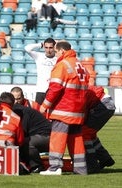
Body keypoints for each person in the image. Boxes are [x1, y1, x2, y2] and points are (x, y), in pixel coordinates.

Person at [39, 40, 89, 175]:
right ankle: (80, 168)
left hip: (63, 109)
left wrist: (44, 106)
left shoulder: (62, 65)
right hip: (78, 110)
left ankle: (55, 167)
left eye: (56, 51)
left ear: (61, 51)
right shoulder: (81, 66)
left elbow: (55, 88)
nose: (55, 54)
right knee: (76, 139)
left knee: (58, 137)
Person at [82, 86, 116, 174]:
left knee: (85, 133)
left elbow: (84, 112)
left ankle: (92, 165)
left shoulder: (79, 94)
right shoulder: (81, 89)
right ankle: (105, 159)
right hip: (106, 103)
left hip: (102, 105)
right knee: (91, 134)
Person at [12, 104, 51, 173]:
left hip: (47, 136)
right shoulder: (20, 110)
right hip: (42, 135)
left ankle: (36, 166)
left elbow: (22, 132)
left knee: (27, 142)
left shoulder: (23, 113)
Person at [24, 38, 57, 104]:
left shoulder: (58, 58)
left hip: (53, 91)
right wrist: (40, 44)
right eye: (46, 47)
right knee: (39, 112)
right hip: (41, 90)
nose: (48, 50)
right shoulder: (39, 56)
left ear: (54, 47)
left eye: (50, 47)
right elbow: (27, 48)